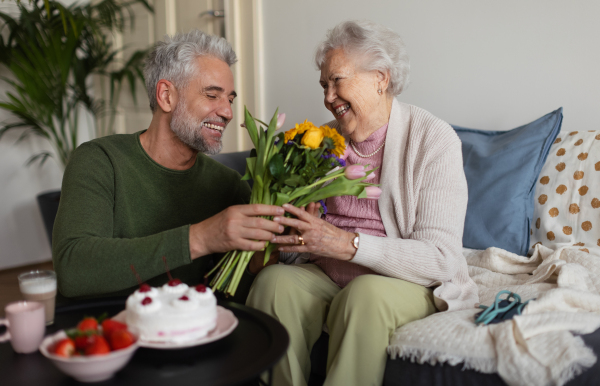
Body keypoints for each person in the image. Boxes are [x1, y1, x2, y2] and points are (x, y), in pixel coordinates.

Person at [246, 20, 479, 386]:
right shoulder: (319, 143)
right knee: (273, 284)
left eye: (337, 80)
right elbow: (305, 244)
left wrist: (348, 244)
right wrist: (290, 237)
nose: (327, 96)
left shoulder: (433, 139)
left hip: (401, 282)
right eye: (324, 85)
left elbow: (441, 258)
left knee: (365, 294)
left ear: (380, 79)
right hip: (325, 274)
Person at [52, 30, 283, 300]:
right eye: (212, 95)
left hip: (200, 329)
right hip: (113, 331)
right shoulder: (100, 161)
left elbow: (230, 291)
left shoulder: (228, 185)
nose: (227, 112)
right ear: (166, 96)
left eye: (229, 99)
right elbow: (72, 269)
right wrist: (200, 238)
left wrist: (260, 262)